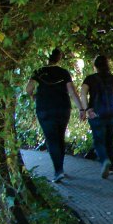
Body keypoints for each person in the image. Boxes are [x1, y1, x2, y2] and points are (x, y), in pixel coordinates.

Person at [25, 49, 82, 183]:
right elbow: (72, 92)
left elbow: (28, 88)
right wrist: (82, 108)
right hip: (63, 108)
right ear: (59, 58)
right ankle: (60, 168)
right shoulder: (64, 72)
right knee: (60, 137)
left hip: (45, 108)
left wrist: (33, 96)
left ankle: (58, 170)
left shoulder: (39, 71)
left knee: (51, 139)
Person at [80, 55, 113, 179]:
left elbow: (83, 93)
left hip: (96, 114)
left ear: (95, 66)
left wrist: (87, 109)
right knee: (110, 138)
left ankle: (104, 160)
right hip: (112, 114)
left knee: (98, 140)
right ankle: (112, 166)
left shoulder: (90, 79)